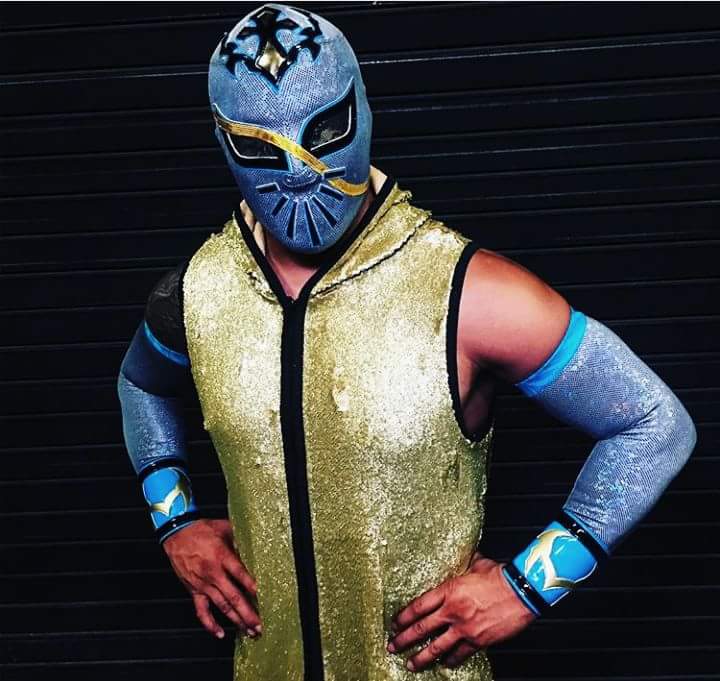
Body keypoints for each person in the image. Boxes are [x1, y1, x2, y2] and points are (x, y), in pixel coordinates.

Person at [116, 4, 698, 680]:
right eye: (262, 146)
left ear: (362, 107)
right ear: (223, 140)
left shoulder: (468, 292)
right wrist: (175, 523)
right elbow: (140, 384)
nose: (300, 172)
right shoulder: (199, 291)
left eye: (324, 130)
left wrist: (529, 584)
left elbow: (653, 425)